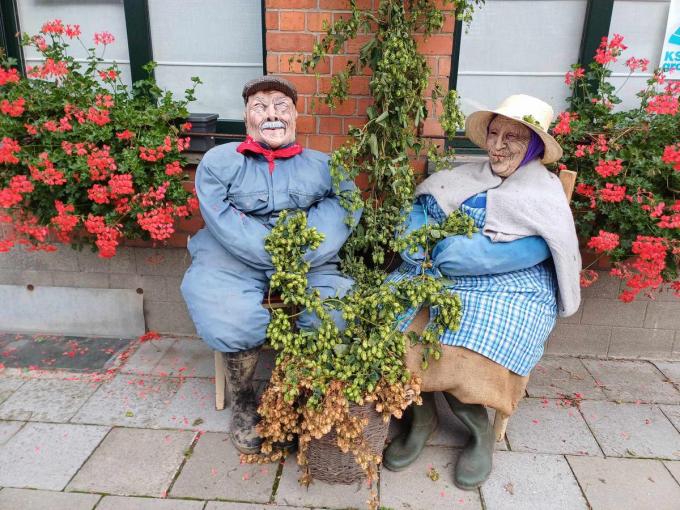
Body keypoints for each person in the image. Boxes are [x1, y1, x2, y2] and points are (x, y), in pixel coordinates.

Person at [383, 94, 581, 488]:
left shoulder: (544, 192)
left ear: (536, 147)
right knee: (389, 330)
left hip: (512, 283)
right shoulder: (464, 175)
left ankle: (478, 434)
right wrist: (413, 233)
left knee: (469, 346)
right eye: (494, 133)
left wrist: (478, 256)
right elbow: (425, 206)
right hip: (437, 269)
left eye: (513, 137)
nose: (498, 145)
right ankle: (421, 419)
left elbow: (547, 246)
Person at [181, 76, 360, 454]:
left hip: (310, 260)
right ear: (246, 117)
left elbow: (345, 204)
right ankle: (245, 400)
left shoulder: (325, 165)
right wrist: (276, 254)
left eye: (281, 105)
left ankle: (300, 396)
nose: (271, 114)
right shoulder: (218, 162)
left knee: (336, 311)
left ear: (296, 115)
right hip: (230, 256)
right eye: (259, 106)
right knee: (228, 314)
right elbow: (220, 217)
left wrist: (303, 252)